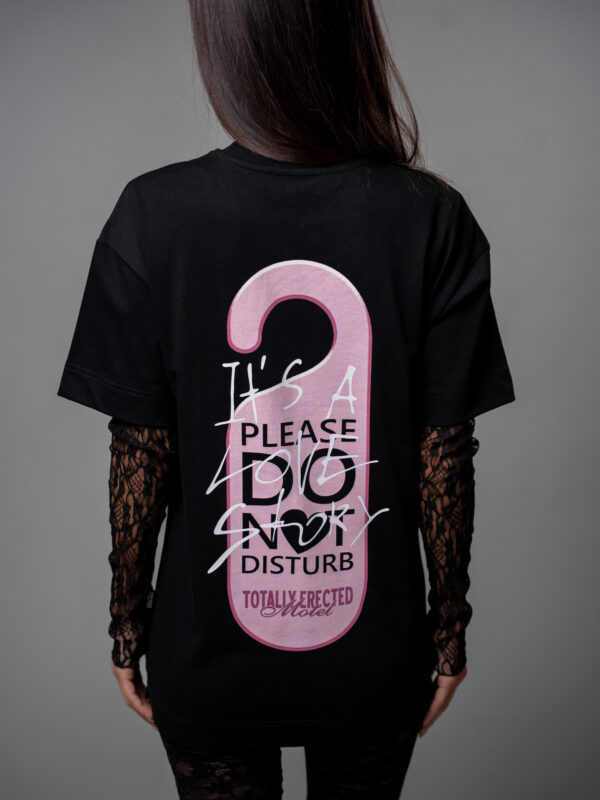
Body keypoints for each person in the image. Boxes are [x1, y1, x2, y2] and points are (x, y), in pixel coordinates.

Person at [56, 1, 516, 797]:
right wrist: (448, 632)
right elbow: (444, 453)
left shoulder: (152, 213)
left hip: (207, 655)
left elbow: (141, 452)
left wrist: (128, 626)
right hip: (375, 654)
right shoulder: (431, 216)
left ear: (227, 50)